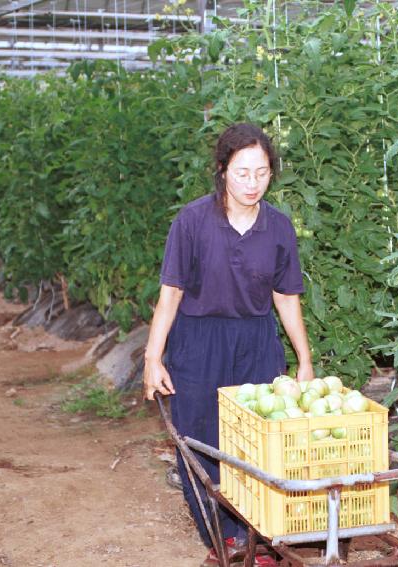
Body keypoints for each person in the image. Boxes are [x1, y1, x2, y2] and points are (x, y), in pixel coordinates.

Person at [143, 123, 314, 566]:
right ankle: (224, 542)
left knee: (257, 444)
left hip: (256, 342)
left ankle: (256, 539)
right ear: (222, 171)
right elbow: (171, 295)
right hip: (199, 343)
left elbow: (286, 297)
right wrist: (152, 358)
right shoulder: (193, 222)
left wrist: (305, 361)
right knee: (199, 441)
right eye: (242, 173)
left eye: (262, 173)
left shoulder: (278, 228)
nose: (252, 183)